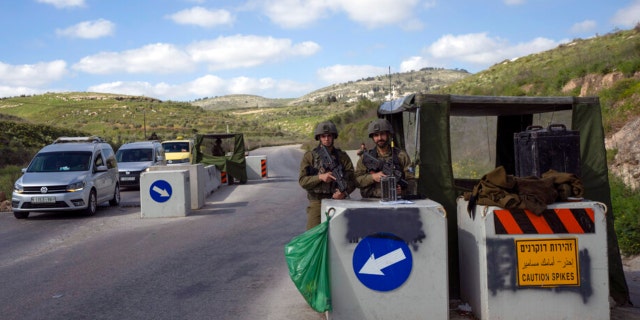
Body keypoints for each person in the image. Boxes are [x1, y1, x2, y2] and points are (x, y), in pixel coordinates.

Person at [299, 121, 356, 230]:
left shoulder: (342, 157)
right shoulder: (310, 156)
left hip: (338, 200)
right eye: (323, 136)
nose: (326, 139)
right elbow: (302, 181)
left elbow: (353, 180)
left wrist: (343, 193)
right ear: (319, 137)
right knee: (313, 236)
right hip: (317, 202)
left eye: (329, 136)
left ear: (333, 137)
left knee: (341, 233)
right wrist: (320, 177)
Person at [355, 118, 415, 199]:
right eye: (376, 135)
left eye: (382, 134)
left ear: (388, 135)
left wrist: (403, 191)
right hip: (371, 201)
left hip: (396, 201)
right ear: (372, 137)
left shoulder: (401, 156)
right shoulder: (365, 158)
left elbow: (411, 179)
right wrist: (373, 177)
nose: (379, 138)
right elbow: (356, 181)